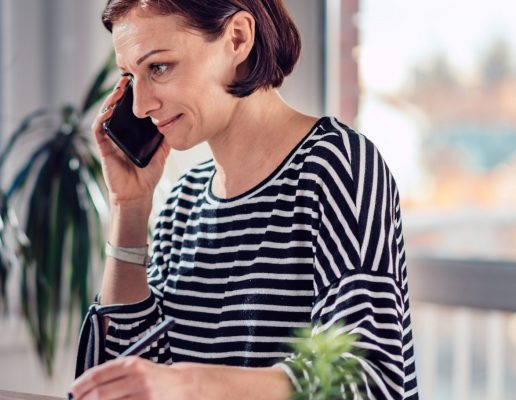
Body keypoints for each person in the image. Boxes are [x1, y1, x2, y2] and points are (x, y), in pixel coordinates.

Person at [69, 1, 418, 399]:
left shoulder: (337, 166)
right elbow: (117, 382)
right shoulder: (182, 202)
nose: (140, 105)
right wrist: (127, 209)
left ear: (238, 38)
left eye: (159, 68)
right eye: (131, 76)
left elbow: (366, 378)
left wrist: (192, 383)